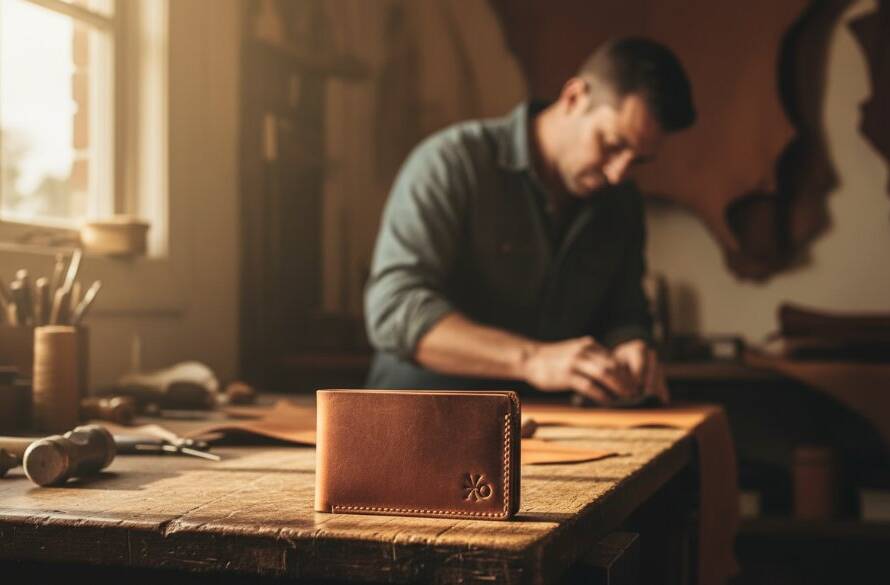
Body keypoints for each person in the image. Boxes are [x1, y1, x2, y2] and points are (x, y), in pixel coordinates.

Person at [363, 37, 695, 405]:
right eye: (613, 144)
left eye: (638, 161)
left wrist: (631, 344)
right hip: (416, 423)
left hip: (549, 432)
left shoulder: (622, 202)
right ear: (574, 97)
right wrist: (532, 359)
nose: (619, 173)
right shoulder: (452, 162)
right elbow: (394, 311)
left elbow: (625, 310)